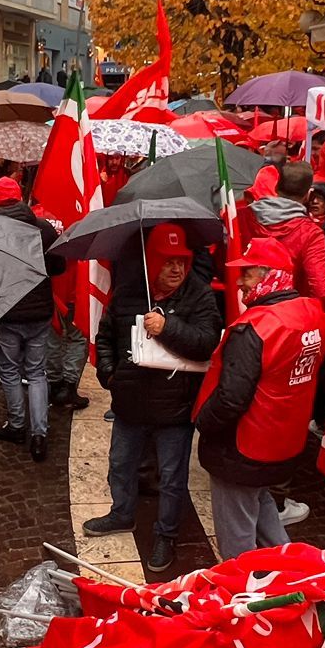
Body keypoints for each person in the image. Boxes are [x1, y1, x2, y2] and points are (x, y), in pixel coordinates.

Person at [84, 224, 224, 572]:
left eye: (182, 261)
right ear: (152, 262)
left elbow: (208, 342)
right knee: (120, 465)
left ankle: (167, 534)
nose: (176, 269)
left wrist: (169, 328)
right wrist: (108, 373)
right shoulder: (130, 290)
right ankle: (122, 513)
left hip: (174, 408)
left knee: (172, 477)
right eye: (168, 262)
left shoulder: (199, 295)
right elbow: (105, 335)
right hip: (129, 403)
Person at [194, 238, 325, 558]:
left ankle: (241, 591)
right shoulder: (313, 314)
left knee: (236, 530)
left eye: (248, 274)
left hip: (244, 444)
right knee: (260, 504)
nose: (240, 282)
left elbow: (231, 398)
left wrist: (204, 423)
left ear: (270, 275)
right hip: (282, 439)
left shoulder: (254, 328)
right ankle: (289, 566)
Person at [0, 176, 61, 462]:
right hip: (40, 311)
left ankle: (17, 426)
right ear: (20, 198)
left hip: (8, 311)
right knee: (37, 372)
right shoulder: (42, 229)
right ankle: (39, 434)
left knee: (9, 371)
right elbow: (59, 265)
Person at [246, 162, 325, 312]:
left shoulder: (241, 217)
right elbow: (320, 285)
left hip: (244, 308)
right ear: (308, 195)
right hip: (288, 314)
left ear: (276, 188)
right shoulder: (310, 233)